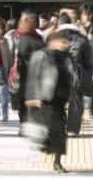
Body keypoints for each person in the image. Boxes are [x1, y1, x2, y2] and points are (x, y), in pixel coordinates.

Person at [25, 31, 76, 174]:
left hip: (61, 100)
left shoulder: (67, 57)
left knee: (60, 132)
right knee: (48, 131)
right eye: (63, 42)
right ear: (53, 42)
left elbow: (72, 75)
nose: (66, 45)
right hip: (46, 99)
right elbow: (32, 78)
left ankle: (57, 162)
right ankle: (50, 154)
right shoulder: (41, 55)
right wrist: (32, 97)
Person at [57, 12, 92, 135]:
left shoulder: (52, 37)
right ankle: (72, 129)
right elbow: (88, 60)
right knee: (76, 99)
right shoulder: (82, 38)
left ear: (59, 23)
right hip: (77, 72)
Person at [14, 10, 46, 125]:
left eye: (23, 20)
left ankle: (26, 123)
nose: (20, 22)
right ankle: (27, 123)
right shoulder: (30, 37)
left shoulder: (30, 36)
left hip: (30, 76)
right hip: (30, 76)